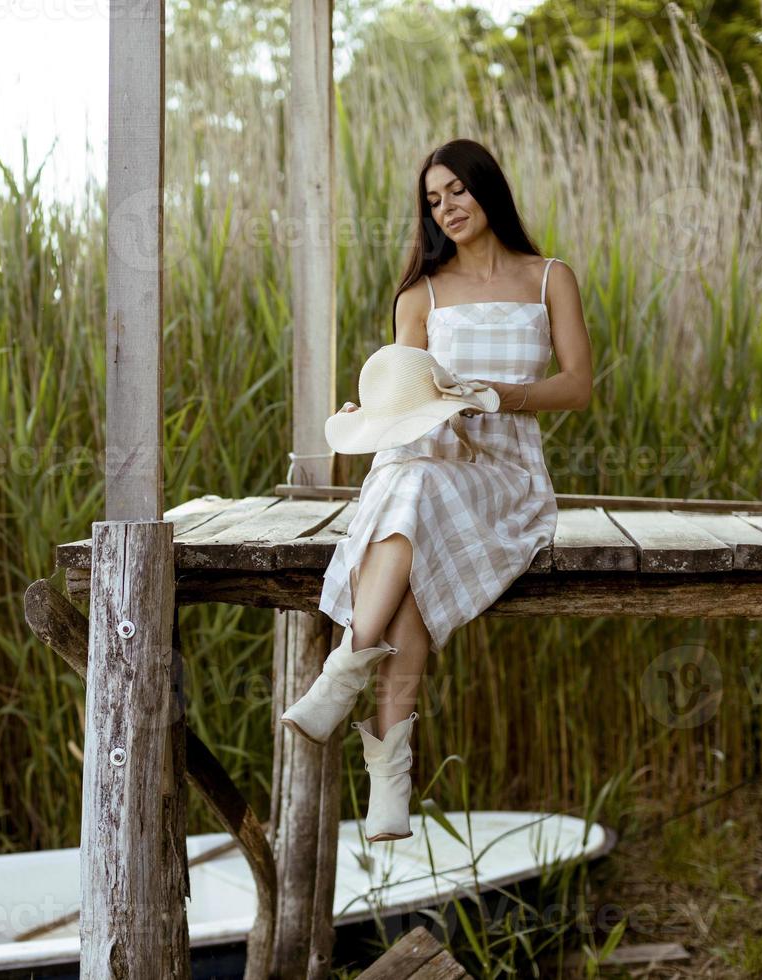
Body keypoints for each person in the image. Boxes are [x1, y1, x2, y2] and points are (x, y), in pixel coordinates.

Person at [281, 138, 594, 842]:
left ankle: (347, 678)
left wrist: (497, 398)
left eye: (456, 191)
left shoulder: (549, 279)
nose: (445, 208)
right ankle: (389, 773)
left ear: (487, 189)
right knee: (414, 495)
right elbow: (405, 397)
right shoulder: (420, 293)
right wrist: (363, 419)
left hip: (503, 474)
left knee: (415, 506)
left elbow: (578, 386)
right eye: (432, 200)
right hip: (422, 456)